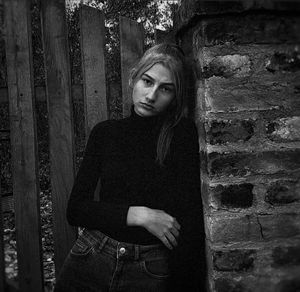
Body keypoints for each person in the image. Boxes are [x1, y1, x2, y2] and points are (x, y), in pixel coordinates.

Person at [54, 43, 206, 292]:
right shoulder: (106, 133)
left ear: (175, 97)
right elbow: (76, 210)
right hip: (93, 257)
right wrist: (140, 215)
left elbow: (189, 225)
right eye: (147, 81)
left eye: (165, 89)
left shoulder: (182, 136)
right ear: (134, 78)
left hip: (150, 268)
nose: (151, 95)